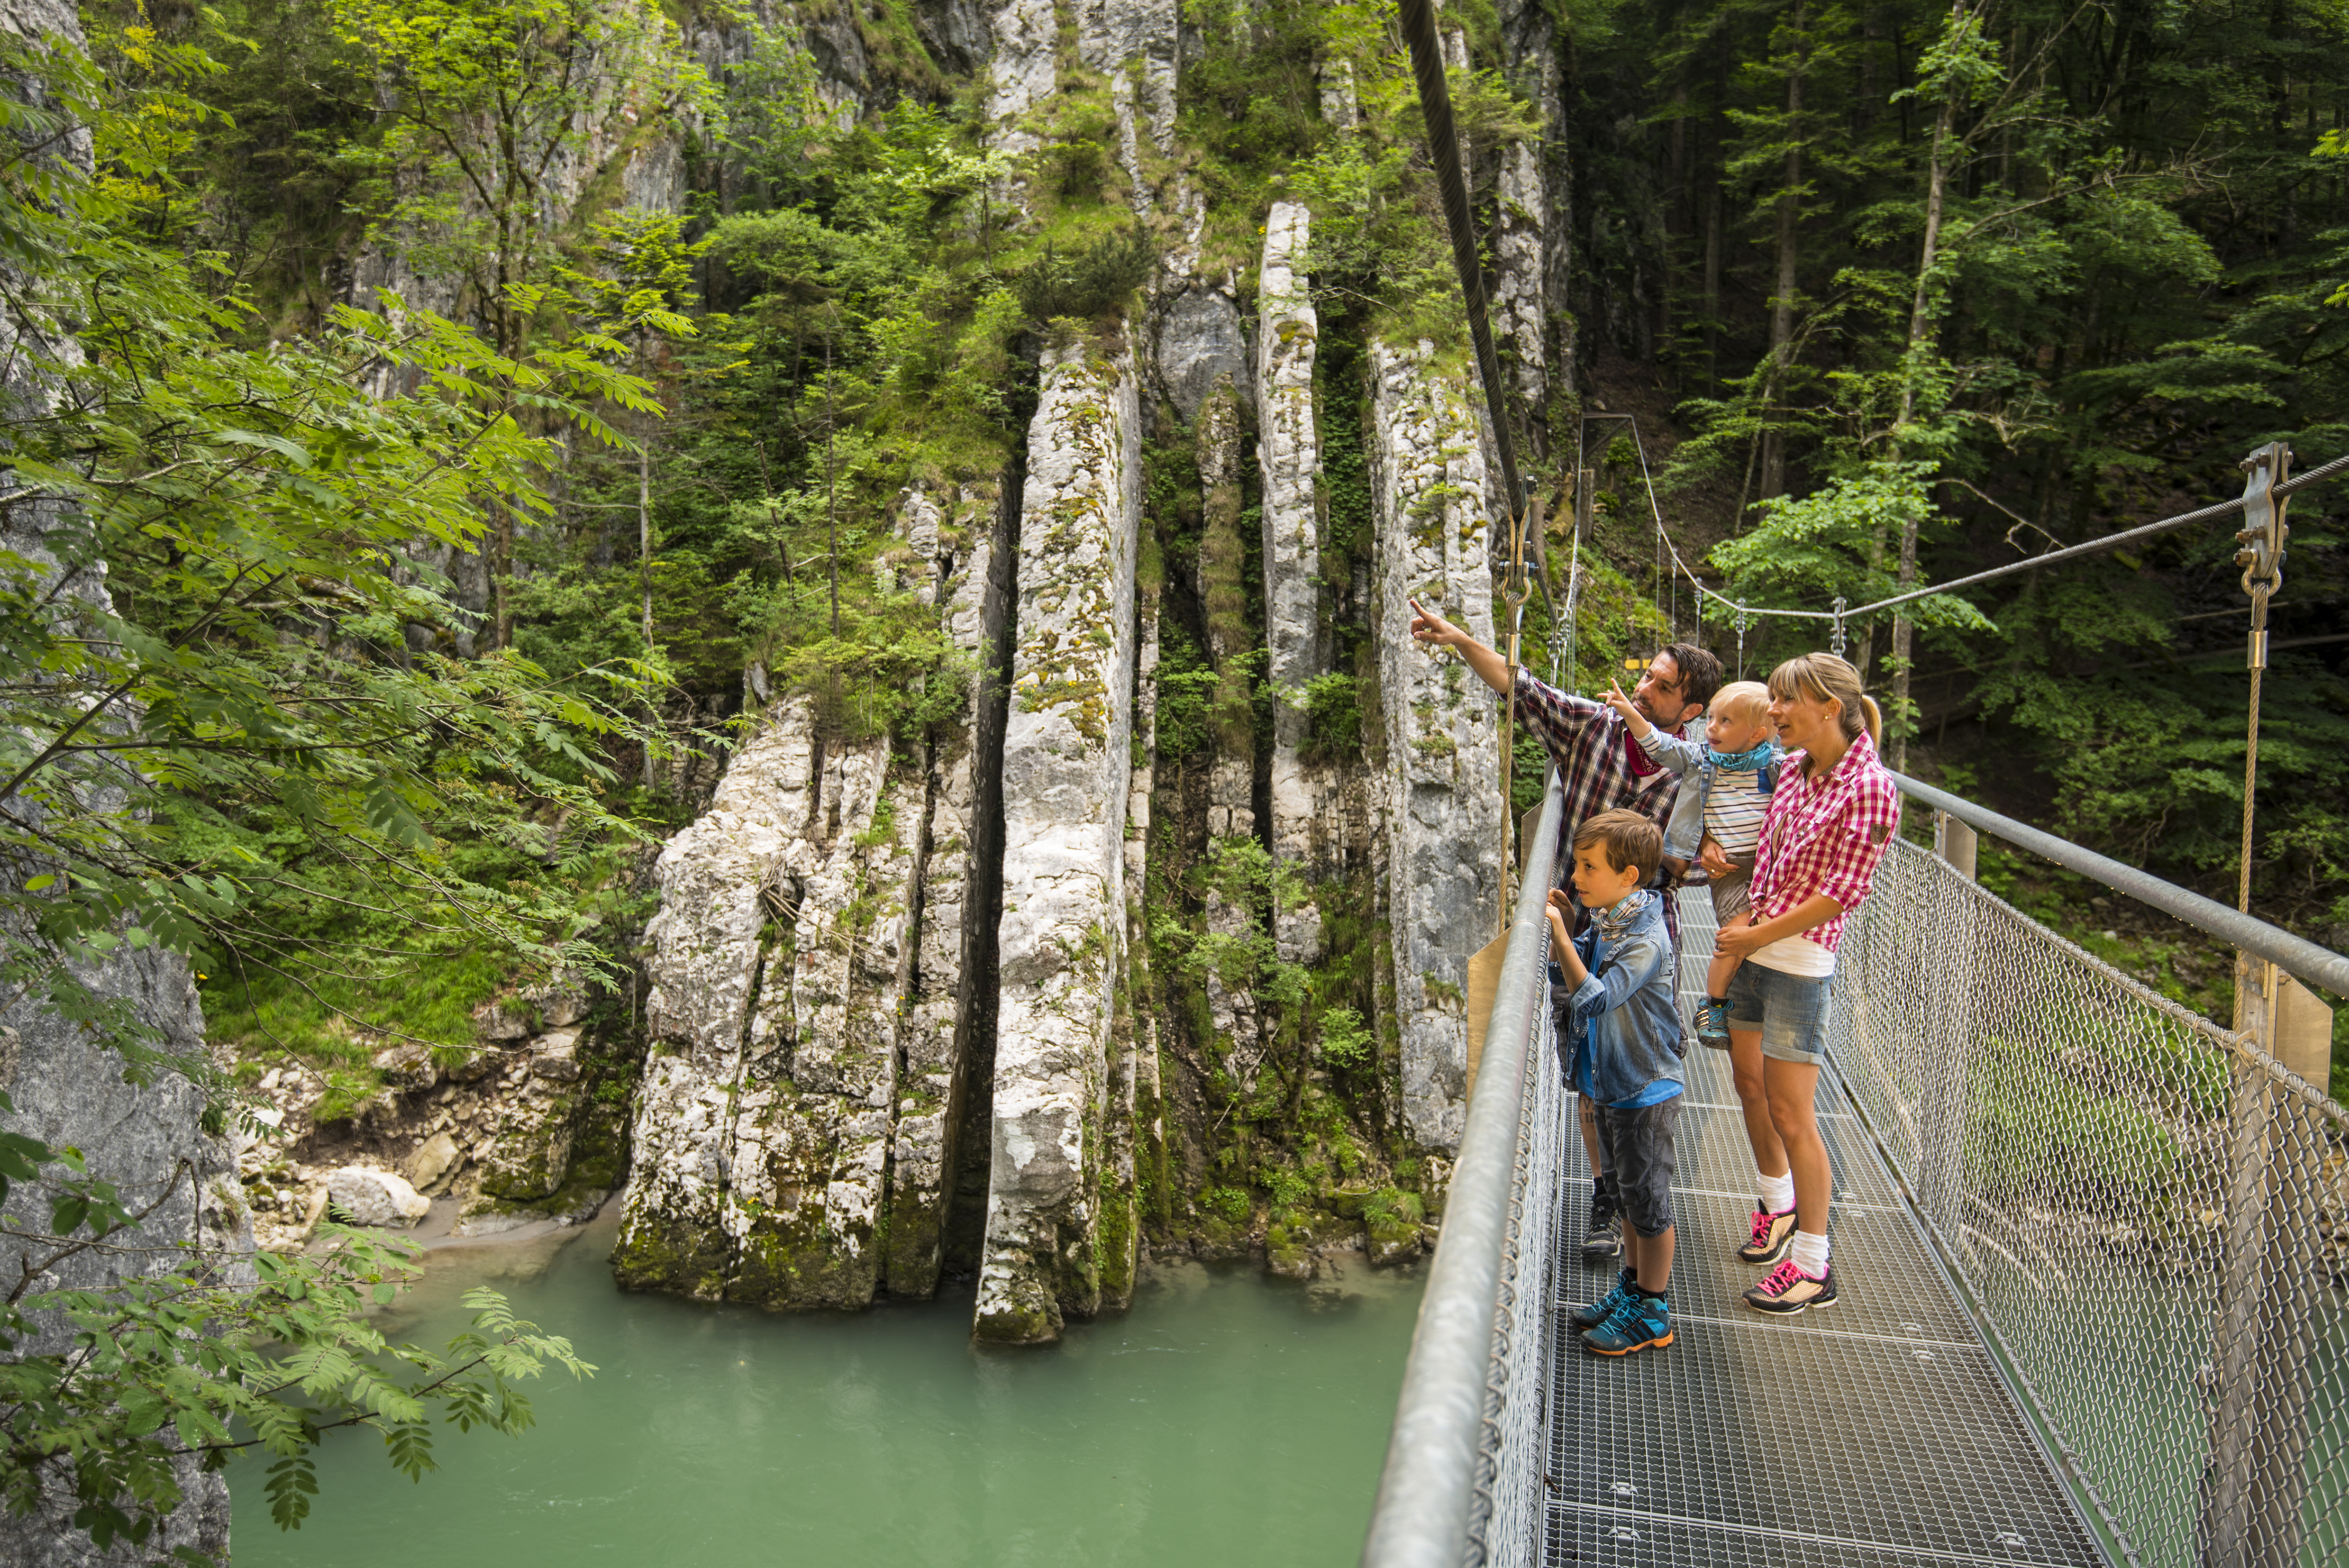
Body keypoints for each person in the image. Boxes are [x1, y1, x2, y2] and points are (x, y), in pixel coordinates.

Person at [1405, 596, 1720, 1265]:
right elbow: (1520, 685)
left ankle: (1645, 1205)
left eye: (1662, 686)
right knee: (1589, 1064)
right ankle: (1609, 1198)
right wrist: (1461, 638)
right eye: (1646, 675)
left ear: (1690, 709)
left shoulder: (1699, 774)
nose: (1644, 688)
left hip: (1644, 937)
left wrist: (1694, 861)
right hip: (1574, 931)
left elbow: (1713, 856)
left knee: (1642, 1071)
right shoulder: (1592, 728)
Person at [1712, 653, 1899, 1313]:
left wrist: (1755, 936)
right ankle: (1777, 1206)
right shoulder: (1792, 768)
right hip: (1754, 948)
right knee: (1749, 1088)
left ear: (1829, 707)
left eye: (1786, 700)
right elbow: (1765, 851)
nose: (1775, 712)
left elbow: (1842, 893)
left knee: (1793, 1113)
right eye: (1773, 698)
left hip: (1798, 964)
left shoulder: (1870, 787)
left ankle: (1815, 1266)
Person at [1545, 810, 1682, 1356]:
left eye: (1588, 867)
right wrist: (1568, 931)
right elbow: (1570, 973)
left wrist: (1561, 933)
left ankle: (1652, 1309)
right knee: (1627, 1196)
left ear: (1628, 876)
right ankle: (1631, 1290)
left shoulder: (1645, 938)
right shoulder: (1609, 918)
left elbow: (1597, 998)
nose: (1575, 876)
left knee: (1648, 1203)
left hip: (1644, 1089)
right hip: (1611, 1083)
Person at [1603, 678, 1782, 1049]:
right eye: (1711, 718)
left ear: (1757, 734)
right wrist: (1629, 711)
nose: (1711, 728)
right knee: (1737, 934)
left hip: (1771, 867)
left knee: (1766, 933)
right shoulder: (1701, 760)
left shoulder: (1778, 769)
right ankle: (1713, 1005)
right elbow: (1659, 744)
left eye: (1725, 721)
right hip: (1732, 872)